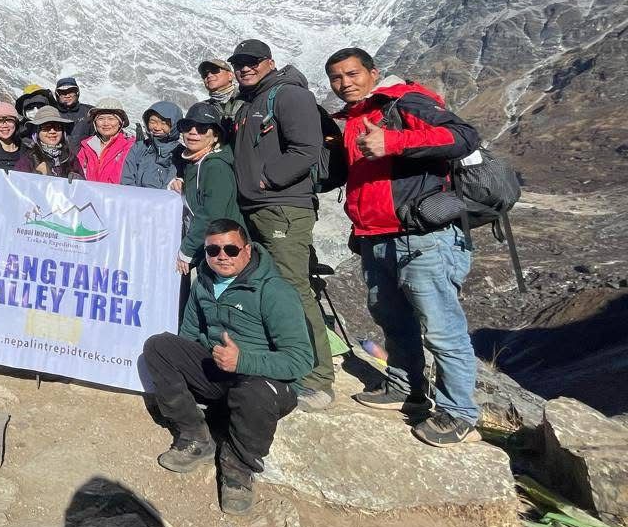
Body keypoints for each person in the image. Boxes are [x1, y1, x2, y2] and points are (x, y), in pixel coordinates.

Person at [326, 47, 482, 446]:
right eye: (336, 78)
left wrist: (394, 141)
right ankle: (406, 387)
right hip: (375, 236)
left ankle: (458, 412)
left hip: (423, 236)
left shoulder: (406, 101)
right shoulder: (352, 119)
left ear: (373, 72)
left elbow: (464, 136)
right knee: (392, 318)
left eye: (352, 74)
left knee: (441, 326)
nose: (344, 83)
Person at [142, 219, 310, 515]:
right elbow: (189, 335)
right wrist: (190, 369)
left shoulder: (274, 291)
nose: (222, 255)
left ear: (246, 250)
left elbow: (300, 359)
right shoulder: (203, 283)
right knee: (159, 346)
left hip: (265, 382)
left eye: (231, 249)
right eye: (213, 250)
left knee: (253, 393)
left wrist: (243, 360)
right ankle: (195, 436)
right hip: (220, 372)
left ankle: (237, 470)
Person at [227, 38, 334, 411]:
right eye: (238, 62)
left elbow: (307, 148)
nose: (244, 67)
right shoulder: (250, 101)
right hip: (257, 207)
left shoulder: (288, 95)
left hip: (283, 207)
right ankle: (281, 362)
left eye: (252, 61)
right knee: (266, 289)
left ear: (269, 62)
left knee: (292, 289)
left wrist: (268, 179)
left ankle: (317, 378)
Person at [170, 103, 242, 277]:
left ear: (215, 136)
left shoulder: (216, 167)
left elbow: (211, 214)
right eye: (188, 127)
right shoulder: (194, 163)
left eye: (202, 128)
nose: (193, 132)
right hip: (208, 245)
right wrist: (180, 183)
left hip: (224, 251)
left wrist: (186, 250)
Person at [122, 101, 184, 189]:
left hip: (162, 201)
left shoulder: (180, 153)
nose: (157, 127)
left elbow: (170, 186)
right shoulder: (139, 147)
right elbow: (127, 180)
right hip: (134, 199)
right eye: (152, 121)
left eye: (164, 123)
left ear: (174, 125)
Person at [15, 106, 84, 179]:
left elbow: (85, 187)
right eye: (46, 128)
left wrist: (79, 179)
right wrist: (36, 176)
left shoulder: (70, 158)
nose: (52, 131)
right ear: (37, 133)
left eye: (57, 127)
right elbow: (18, 185)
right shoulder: (28, 160)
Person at [75, 98, 134, 184]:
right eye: (101, 119)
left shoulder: (131, 146)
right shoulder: (86, 146)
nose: (106, 123)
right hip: (89, 195)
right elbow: (77, 170)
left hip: (118, 196)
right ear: (95, 123)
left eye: (111, 119)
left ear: (120, 123)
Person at [198, 58, 243, 134]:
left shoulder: (246, 99)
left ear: (230, 75)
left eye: (214, 70)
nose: (209, 75)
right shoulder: (202, 108)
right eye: (204, 75)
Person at [54, 76, 93, 146]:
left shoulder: (89, 111)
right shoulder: (51, 112)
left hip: (84, 155)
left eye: (71, 91)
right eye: (63, 92)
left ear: (77, 93)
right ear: (57, 95)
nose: (67, 95)